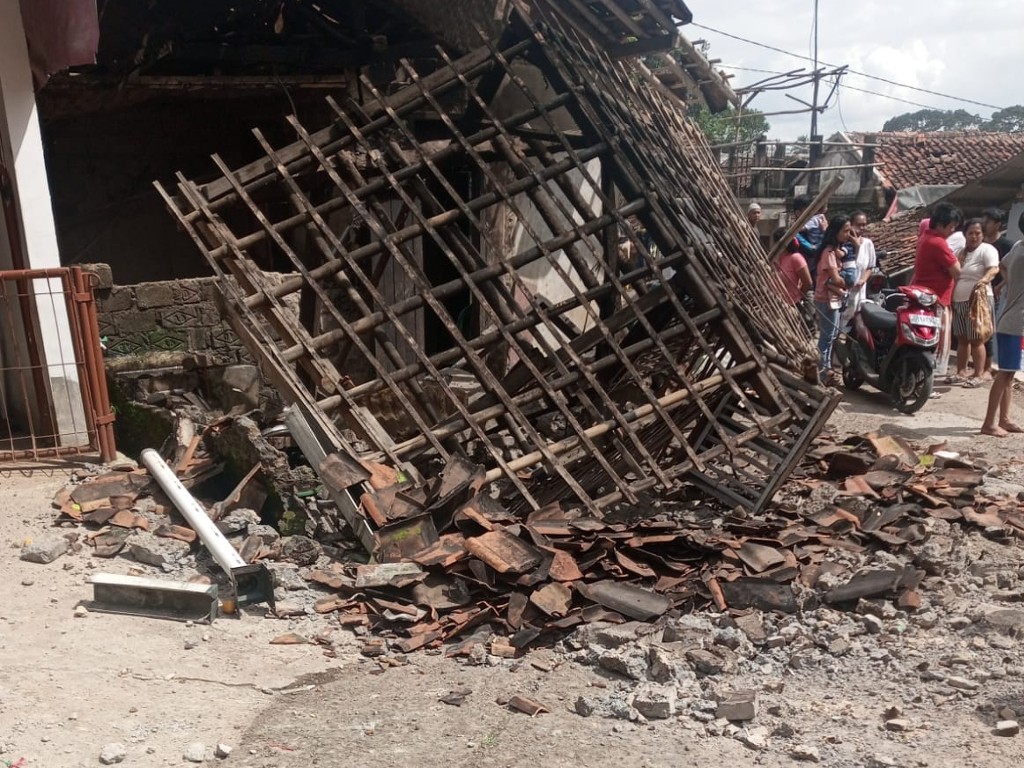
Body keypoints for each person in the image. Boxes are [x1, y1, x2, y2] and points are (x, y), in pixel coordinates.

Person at [911, 203, 963, 379]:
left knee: (923, 341)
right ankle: (925, 379)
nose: (953, 230)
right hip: (936, 300)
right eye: (951, 226)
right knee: (933, 342)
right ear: (940, 224)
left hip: (923, 296)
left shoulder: (925, 236)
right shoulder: (938, 243)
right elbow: (957, 271)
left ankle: (920, 378)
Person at [980, 239, 1024, 437]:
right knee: (1005, 373)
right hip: (1015, 323)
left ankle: (1003, 419)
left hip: (1011, 320)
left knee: (1010, 372)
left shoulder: (1018, 246)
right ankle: (989, 423)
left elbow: (1003, 265)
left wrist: (1008, 284)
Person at [950, 219, 999, 385]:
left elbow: (994, 269)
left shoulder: (987, 250)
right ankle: (961, 372)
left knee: (977, 339)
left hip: (978, 301)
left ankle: (978, 375)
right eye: (970, 233)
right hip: (959, 301)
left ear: (983, 234)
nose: (973, 236)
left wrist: (983, 281)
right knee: (962, 338)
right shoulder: (962, 253)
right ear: (965, 234)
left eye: (977, 233)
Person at [812, 215, 853, 384]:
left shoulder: (835, 252)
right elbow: (836, 280)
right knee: (827, 337)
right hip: (825, 299)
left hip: (832, 298)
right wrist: (849, 282)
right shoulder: (828, 253)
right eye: (845, 231)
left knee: (830, 336)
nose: (847, 234)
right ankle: (822, 373)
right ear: (835, 231)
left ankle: (825, 371)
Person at [840, 211, 878, 329]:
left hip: (860, 291)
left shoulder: (868, 244)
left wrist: (862, 279)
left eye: (864, 225)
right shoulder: (843, 244)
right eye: (858, 224)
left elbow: (870, 266)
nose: (862, 228)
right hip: (843, 292)